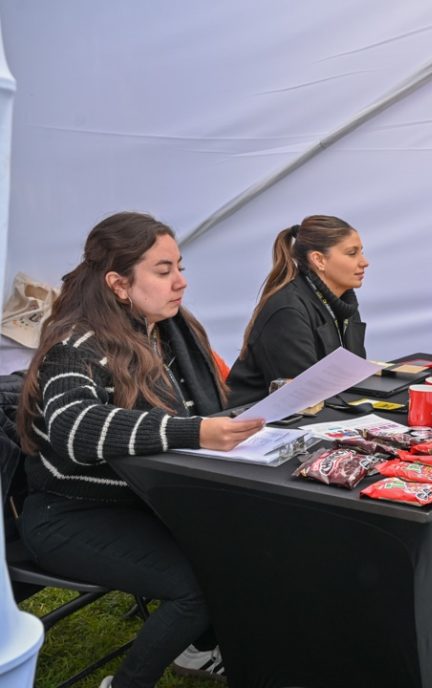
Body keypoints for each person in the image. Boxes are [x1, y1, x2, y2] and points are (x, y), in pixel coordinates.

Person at [15, 213, 265, 688]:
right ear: (119, 283)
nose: (181, 281)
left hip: (142, 502)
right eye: (164, 270)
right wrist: (195, 433)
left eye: (180, 267)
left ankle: (200, 649)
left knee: (238, 550)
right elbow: (75, 428)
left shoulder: (166, 334)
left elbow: (205, 410)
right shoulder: (76, 344)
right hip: (69, 515)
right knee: (197, 587)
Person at [227, 215, 369, 405]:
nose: (364, 262)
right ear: (319, 260)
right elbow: (302, 395)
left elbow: (351, 377)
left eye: (361, 252)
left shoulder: (343, 303)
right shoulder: (287, 311)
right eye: (352, 253)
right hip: (257, 423)